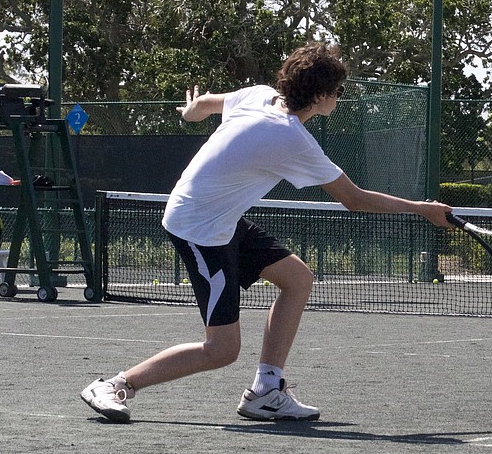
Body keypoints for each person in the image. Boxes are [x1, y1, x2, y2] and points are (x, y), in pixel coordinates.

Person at [81, 42, 452, 423]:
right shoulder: (291, 138)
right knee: (221, 350)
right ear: (321, 96)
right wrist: (422, 209)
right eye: (338, 92)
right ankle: (116, 385)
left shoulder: (259, 96)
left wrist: (192, 112)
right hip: (199, 228)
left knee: (297, 279)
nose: (339, 98)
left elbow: (208, 104)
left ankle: (266, 392)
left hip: (219, 217)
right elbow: (354, 199)